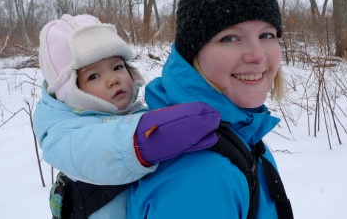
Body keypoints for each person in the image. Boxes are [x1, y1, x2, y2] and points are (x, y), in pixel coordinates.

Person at [127, 0, 293, 219]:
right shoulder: (200, 174)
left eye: (266, 35)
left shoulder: (240, 134)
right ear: (193, 52)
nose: (257, 55)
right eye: (230, 38)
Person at [32, 14, 221, 218]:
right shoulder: (63, 132)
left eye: (117, 67)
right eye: (93, 76)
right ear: (70, 91)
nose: (113, 79)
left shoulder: (134, 114)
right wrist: (142, 140)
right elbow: (92, 149)